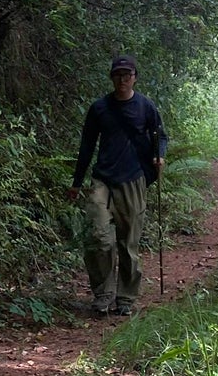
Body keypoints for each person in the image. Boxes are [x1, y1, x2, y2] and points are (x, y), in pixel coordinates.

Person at [66, 55, 167, 316]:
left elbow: (160, 136)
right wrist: (77, 182)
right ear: (111, 78)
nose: (122, 79)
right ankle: (103, 295)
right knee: (98, 237)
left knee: (128, 243)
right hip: (101, 180)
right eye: (118, 75)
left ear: (134, 77)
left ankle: (126, 298)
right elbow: (87, 145)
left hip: (133, 179)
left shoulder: (146, 106)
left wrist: (159, 156)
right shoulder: (99, 108)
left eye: (127, 75)